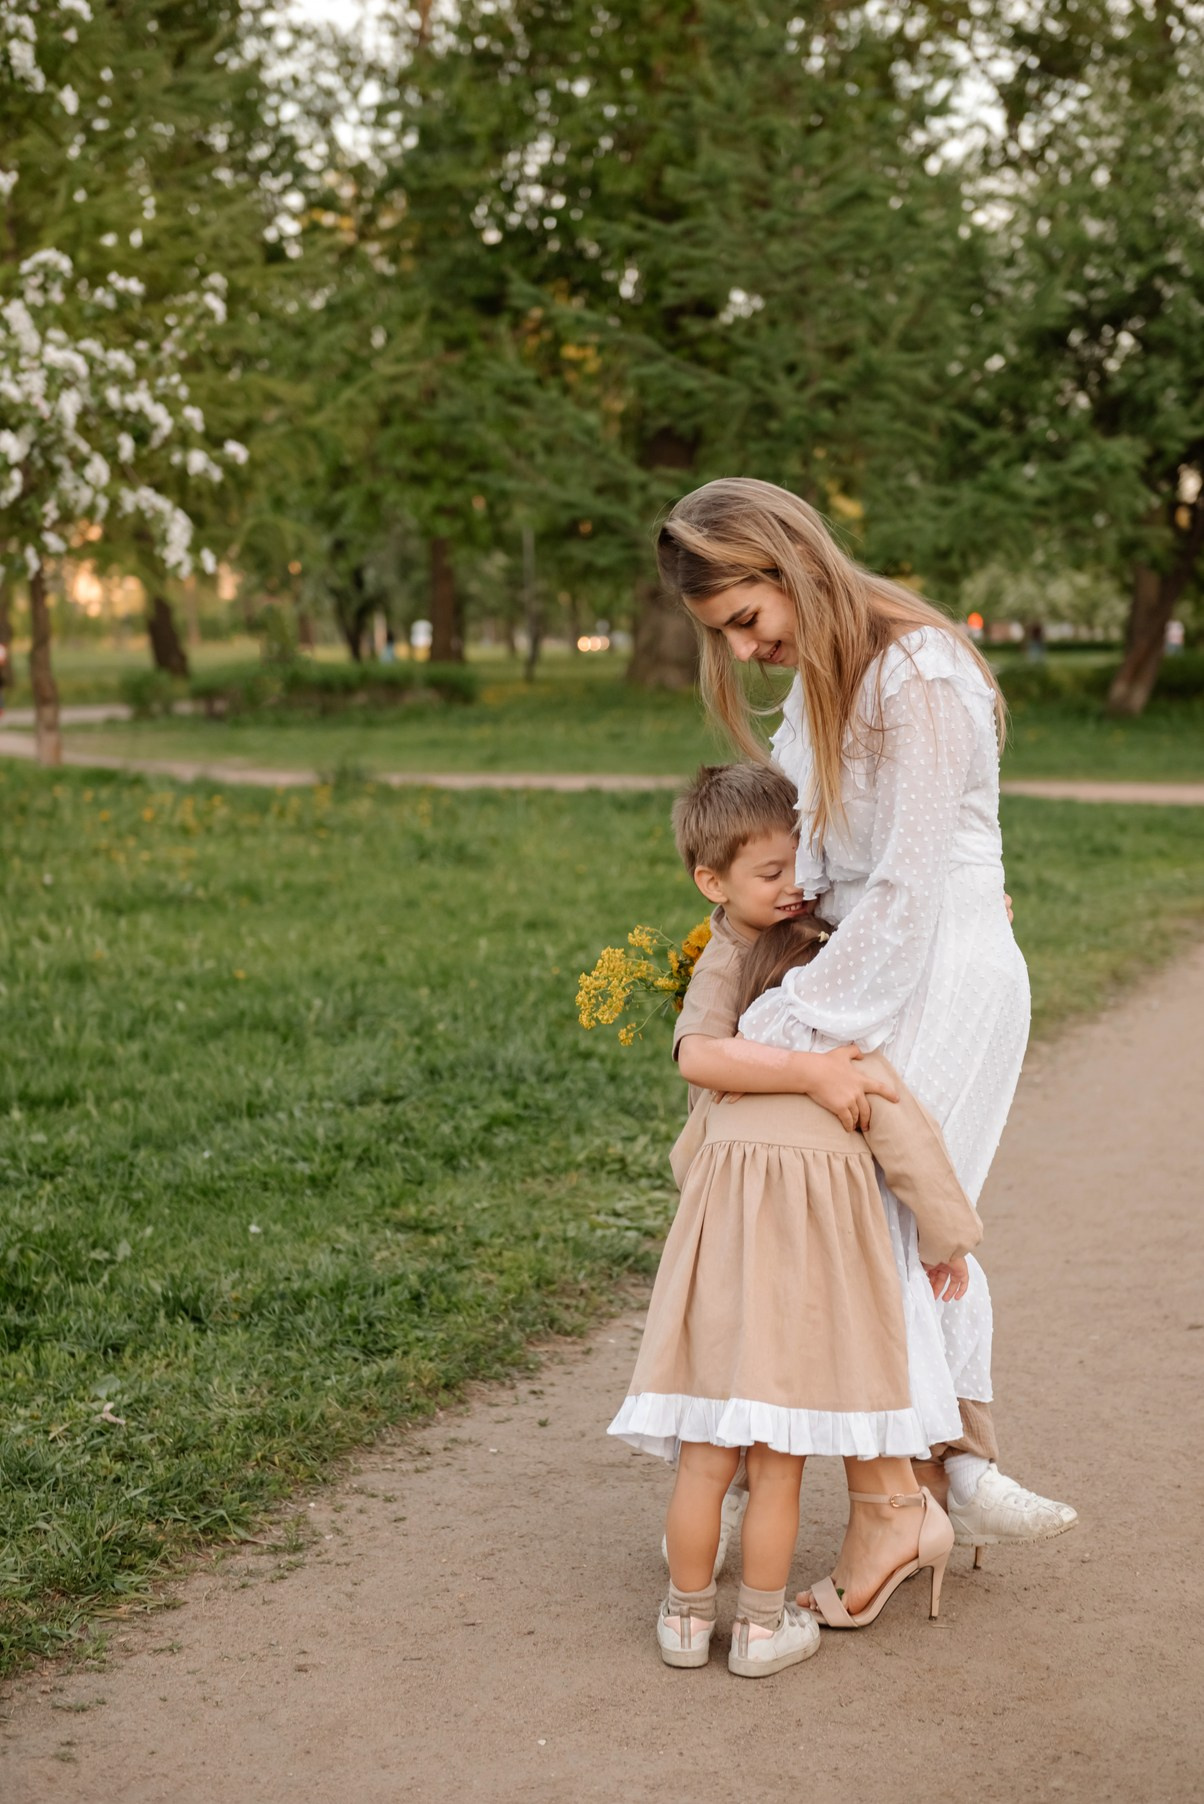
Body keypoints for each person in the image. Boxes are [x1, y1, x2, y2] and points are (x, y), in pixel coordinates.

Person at [654, 478, 1076, 1609]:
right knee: (825, 1203)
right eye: (725, 637)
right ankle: (923, 1477)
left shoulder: (920, 674)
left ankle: (911, 1496)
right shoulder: (827, 687)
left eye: (747, 618)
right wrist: (755, 958)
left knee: (863, 1219)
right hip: (865, 962)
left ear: (789, 560)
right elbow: (832, 870)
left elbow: (909, 884)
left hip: (937, 973)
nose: (746, 650)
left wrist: (789, 1023)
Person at [609, 764, 985, 1674]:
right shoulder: (832, 991)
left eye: (800, 869)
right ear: (714, 882)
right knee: (777, 1451)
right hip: (813, 1230)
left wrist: (694, 1171)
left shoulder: (728, 959)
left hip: (729, 1217)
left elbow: (701, 1080)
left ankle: (685, 1618)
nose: (796, 888)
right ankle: (764, 1628)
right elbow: (892, 1116)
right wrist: (945, 1237)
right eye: (772, 874)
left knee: (709, 1443)